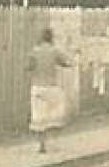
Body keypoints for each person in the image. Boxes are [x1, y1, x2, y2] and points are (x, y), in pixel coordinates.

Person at [26, 26, 74, 154]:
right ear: (51, 38)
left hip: (37, 87)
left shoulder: (34, 51)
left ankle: (41, 145)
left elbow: (29, 67)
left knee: (38, 117)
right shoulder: (55, 51)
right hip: (51, 87)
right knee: (54, 115)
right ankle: (53, 143)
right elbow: (67, 63)